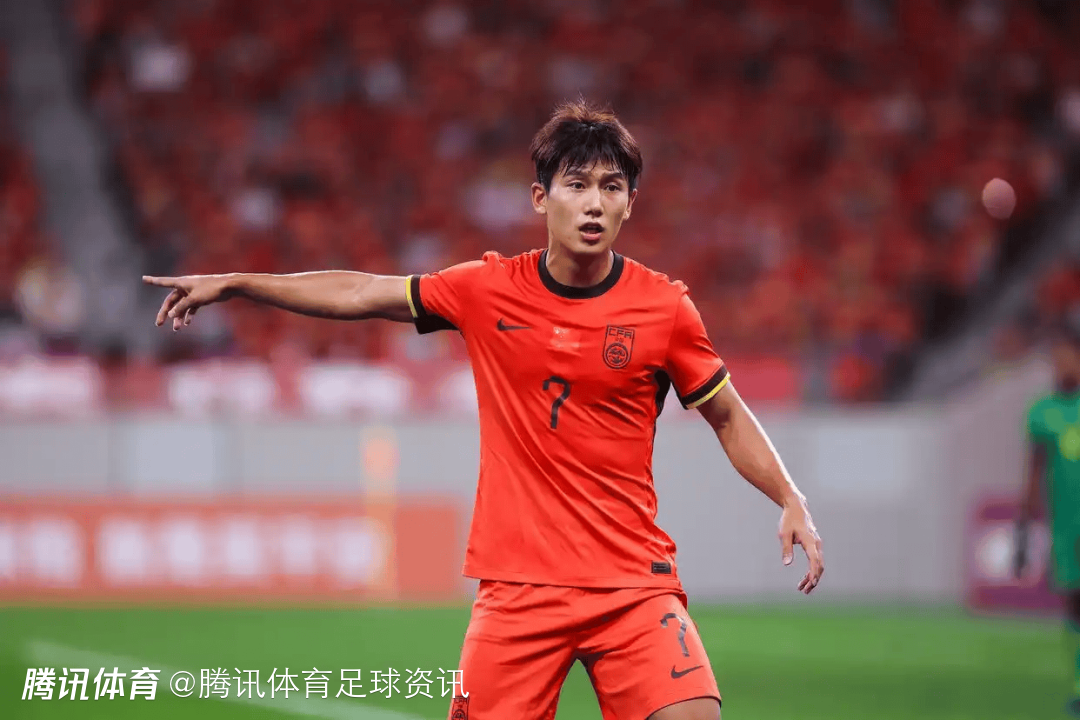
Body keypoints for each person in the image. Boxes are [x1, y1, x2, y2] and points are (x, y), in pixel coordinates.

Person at [145, 99, 824, 720]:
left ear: (630, 203)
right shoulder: (485, 290)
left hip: (632, 584)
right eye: (576, 184)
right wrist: (237, 282)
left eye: (611, 187)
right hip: (518, 590)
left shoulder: (664, 308)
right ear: (541, 197)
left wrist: (789, 497)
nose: (594, 203)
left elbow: (727, 415)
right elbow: (360, 293)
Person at [1015, 317, 1080, 716]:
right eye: (1056, 355)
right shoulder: (1043, 412)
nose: (1061, 362)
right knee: (1074, 608)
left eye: (1067, 354)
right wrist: (1022, 533)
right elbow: (1033, 476)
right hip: (1067, 529)